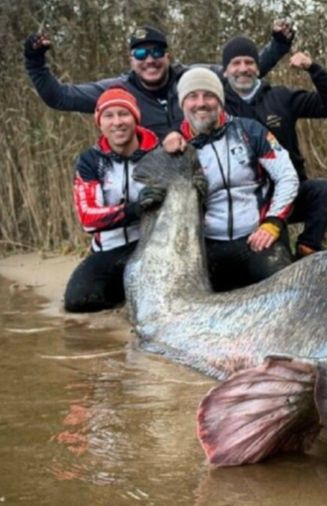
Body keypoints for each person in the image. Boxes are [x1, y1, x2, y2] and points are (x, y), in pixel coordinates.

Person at [23, 23, 294, 139]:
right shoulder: (118, 90)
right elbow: (59, 97)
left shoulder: (193, 77)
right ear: (131, 59)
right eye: (141, 53)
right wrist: (35, 61)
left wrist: (279, 45)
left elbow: (240, 73)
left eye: (156, 52)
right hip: (153, 181)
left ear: (168, 55)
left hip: (205, 173)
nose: (149, 60)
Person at [171, 67, 299, 291]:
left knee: (285, 290)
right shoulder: (176, 149)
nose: (201, 103)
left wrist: (273, 222)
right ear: (183, 104)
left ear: (220, 100)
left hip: (257, 238)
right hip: (207, 246)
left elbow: (287, 176)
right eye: (192, 96)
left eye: (209, 95)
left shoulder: (250, 130)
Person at [220, 35, 327, 258]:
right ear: (225, 71)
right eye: (236, 63)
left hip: (287, 190)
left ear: (258, 68)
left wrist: (313, 68)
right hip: (248, 200)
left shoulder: (281, 97)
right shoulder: (217, 106)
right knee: (275, 254)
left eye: (249, 62)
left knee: (323, 190)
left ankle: (307, 249)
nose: (243, 68)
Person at [65, 87, 163, 312]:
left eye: (124, 114)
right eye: (109, 116)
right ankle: (122, 298)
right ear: (100, 123)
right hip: (109, 250)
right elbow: (88, 218)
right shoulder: (90, 161)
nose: (117, 122)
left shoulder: (158, 154)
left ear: (135, 118)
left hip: (151, 248)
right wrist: (134, 210)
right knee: (77, 301)